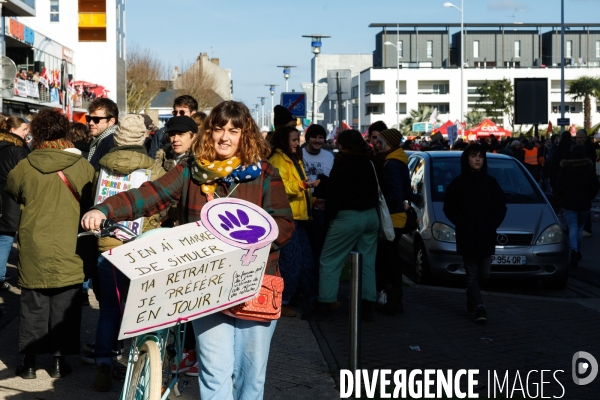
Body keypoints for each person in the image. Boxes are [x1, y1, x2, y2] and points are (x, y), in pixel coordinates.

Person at [81, 100, 294, 399]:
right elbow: (151, 194)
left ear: (246, 135)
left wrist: (253, 239)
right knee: (214, 371)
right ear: (209, 132)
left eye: (234, 130)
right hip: (207, 285)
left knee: (251, 376)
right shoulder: (190, 170)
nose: (225, 137)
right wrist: (106, 209)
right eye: (219, 128)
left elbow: (284, 223)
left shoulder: (265, 173)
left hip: (253, 283)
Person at [6, 109, 95, 379]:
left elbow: (13, 190)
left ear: (38, 133)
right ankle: (58, 362)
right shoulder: (82, 166)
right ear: (64, 132)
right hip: (69, 243)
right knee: (64, 305)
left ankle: (30, 363)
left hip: (34, 243)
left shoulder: (24, 165)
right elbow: (91, 199)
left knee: (33, 303)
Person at [82, 114, 166, 391]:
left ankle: (103, 366)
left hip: (107, 245)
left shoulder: (102, 167)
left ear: (117, 138)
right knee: (143, 310)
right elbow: (162, 205)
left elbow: (94, 200)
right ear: (143, 136)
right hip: (143, 246)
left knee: (109, 310)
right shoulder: (154, 169)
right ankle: (138, 366)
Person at [318, 130, 380, 321]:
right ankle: (367, 304)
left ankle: (326, 303)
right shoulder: (368, 162)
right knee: (367, 262)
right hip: (371, 217)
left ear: (343, 145)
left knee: (330, 260)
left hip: (347, 218)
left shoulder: (342, 164)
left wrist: (329, 216)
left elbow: (334, 195)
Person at [443, 144, 507, 323]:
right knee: (472, 272)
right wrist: (463, 223)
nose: (478, 159)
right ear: (467, 159)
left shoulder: (491, 183)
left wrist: (492, 223)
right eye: (474, 156)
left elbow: (500, 205)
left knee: (485, 273)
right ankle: (479, 307)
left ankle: (472, 297)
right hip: (468, 235)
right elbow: (450, 208)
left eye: (480, 156)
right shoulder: (458, 184)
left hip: (486, 235)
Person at [269, 126, 319, 318]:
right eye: (294, 140)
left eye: (298, 140)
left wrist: (313, 200)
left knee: (306, 261)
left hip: (300, 217)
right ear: (284, 140)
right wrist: (302, 185)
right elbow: (279, 187)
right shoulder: (278, 160)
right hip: (288, 218)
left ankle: (312, 299)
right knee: (292, 262)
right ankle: (283, 302)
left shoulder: (293, 159)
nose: (298, 143)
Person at [373, 128, 411, 316]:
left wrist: (386, 209)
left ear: (389, 143)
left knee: (389, 261)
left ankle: (394, 301)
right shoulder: (397, 160)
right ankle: (393, 299)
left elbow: (393, 194)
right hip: (395, 217)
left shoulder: (391, 164)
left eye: (380, 140)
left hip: (392, 219)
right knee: (390, 260)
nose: (376, 143)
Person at [553, 144, 600, 268]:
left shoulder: (566, 168)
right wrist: (589, 196)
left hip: (569, 202)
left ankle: (573, 250)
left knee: (572, 226)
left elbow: (559, 186)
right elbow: (595, 186)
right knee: (580, 227)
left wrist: (564, 196)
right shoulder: (588, 168)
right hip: (584, 202)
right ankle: (577, 250)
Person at [0, 117, 30, 291]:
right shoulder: (18, 150)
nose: (27, 133)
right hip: (10, 200)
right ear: (12, 130)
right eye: (24, 129)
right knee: (7, 237)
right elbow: (26, 176)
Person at [302, 124, 334, 262]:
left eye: (321, 137)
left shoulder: (328, 156)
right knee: (304, 246)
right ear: (308, 138)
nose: (317, 140)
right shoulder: (300, 154)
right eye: (314, 137)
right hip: (302, 205)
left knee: (318, 246)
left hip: (321, 207)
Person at [87, 98, 119, 169]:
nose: (90, 123)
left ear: (111, 121)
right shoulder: (101, 140)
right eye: (88, 118)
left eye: (96, 119)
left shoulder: (112, 142)